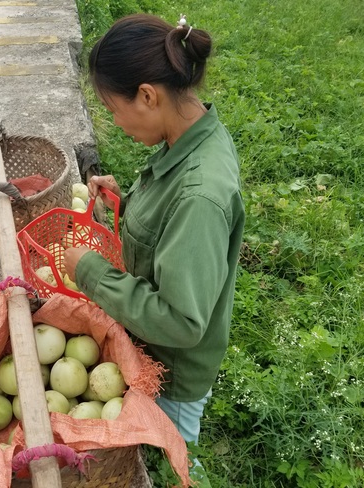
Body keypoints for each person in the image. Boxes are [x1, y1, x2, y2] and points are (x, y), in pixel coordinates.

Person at [63, 12, 245, 466]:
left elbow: (181, 322)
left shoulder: (200, 194)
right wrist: (129, 205)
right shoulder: (188, 137)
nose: (116, 122)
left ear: (147, 95)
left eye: (112, 109)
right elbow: (171, 233)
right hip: (149, 349)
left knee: (167, 460)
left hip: (172, 374)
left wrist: (90, 271)